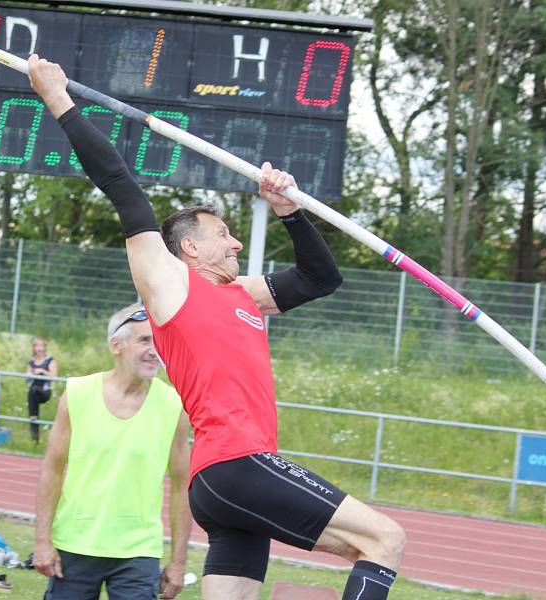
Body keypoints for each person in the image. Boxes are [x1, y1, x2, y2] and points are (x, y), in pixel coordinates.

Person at [28, 56, 406, 600]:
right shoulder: (169, 283)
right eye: (223, 234)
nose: (234, 244)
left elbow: (321, 278)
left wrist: (289, 211)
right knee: (384, 540)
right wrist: (57, 98)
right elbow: (118, 181)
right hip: (238, 463)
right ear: (189, 247)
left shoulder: (241, 295)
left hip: (223, 486)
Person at [33, 303, 192, 600]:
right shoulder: (78, 394)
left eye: (159, 341)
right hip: (76, 544)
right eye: (144, 340)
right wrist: (43, 540)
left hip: (138, 551)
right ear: (116, 345)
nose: (154, 350)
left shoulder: (173, 405)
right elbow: (51, 470)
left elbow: (183, 487)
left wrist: (178, 561)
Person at [26, 337, 58, 443]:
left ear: (44, 347)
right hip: (33, 393)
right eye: (36, 346)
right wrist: (31, 373)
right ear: (34, 348)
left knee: (34, 389)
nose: (39, 348)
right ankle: (35, 440)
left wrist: (43, 371)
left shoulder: (50, 360)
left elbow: (54, 376)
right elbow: (26, 377)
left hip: (44, 392)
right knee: (32, 392)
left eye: (41, 345)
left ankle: (33, 417)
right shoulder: (32, 361)